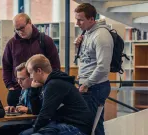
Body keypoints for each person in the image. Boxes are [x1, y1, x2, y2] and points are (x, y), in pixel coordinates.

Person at [20, 54, 93, 135]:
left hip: (76, 127)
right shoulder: (48, 84)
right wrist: (34, 90)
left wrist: (35, 129)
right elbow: (37, 111)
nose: (31, 77)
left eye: (31, 73)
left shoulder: (54, 84)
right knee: (24, 133)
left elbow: (45, 115)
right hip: (63, 124)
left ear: (39, 71)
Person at [2, 13, 61, 107]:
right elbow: (6, 66)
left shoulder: (45, 40)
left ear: (30, 23)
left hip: (39, 89)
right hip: (17, 89)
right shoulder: (11, 43)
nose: (20, 32)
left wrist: (48, 86)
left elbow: (55, 66)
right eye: (17, 30)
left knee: (35, 115)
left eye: (22, 28)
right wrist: (10, 86)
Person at [74, 3, 114, 135]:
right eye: (76, 19)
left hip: (95, 86)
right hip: (89, 85)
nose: (77, 23)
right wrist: (77, 47)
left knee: (92, 126)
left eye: (80, 19)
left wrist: (87, 84)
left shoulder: (101, 36)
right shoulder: (87, 33)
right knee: (91, 125)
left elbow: (103, 67)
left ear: (91, 19)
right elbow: (86, 59)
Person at [0, 62, 42, 135]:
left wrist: (28, 110)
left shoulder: (40, 89)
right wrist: (14, 109)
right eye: (17, 79)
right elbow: (20, 105)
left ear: (31, 77)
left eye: (22, 79)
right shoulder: (24, 90)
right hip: (23, 123)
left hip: (35, 124)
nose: (19, 82)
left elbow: (44, 111)